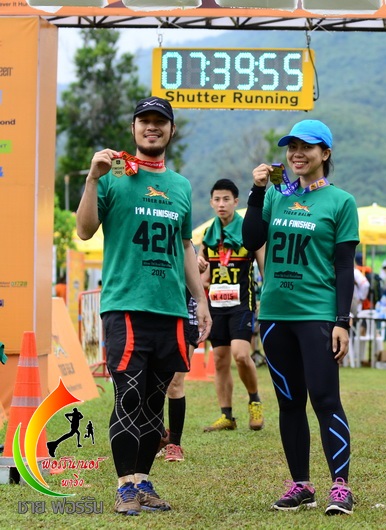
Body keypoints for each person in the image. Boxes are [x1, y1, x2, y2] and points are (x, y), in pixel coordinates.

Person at [75, 96, 211, 516]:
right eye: (144, 121)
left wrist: (200, 300)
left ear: (171, 130)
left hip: (170, 309)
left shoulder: (181, 186)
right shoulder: (113, 174)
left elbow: (185, 247)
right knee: (129, 396)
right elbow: (84, 230)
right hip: (126, 305)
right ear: (133, 128)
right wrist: (92, 180)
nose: (152, 127)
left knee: (155, 401)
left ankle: (143, 480)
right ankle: (124, 487)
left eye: (160, 121)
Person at [243, 119, 358, 515]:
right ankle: (301, 485)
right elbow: (251, 239)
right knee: (290, 403)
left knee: (325, 400)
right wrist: (257, 192)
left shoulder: (340, 202)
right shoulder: (276, 195)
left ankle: (340, 486)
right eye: (292, 147)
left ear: (325, 153)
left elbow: (344, 267)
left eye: (307, 147)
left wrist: (342, 321)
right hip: (275, 316)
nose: (297, 154)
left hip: (317, 316)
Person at [198, 178, 266, 432]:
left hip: (242, 304)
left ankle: (254, 400)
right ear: (211, 202)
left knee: (241, 355)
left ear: (236, 202)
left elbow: (265, 269)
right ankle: (226, 415)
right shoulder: (208, 235)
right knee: (219, 360)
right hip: (216, 305)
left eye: (226, 199)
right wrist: (198, 266)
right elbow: (203, 278)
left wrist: (266, 298)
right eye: (216, 199)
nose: (221, 204)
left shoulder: (249, 231)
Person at [157, 289, 199, 463]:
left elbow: (202, 279)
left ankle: (174, 443)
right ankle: (159, 435)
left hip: (185, 315)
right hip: (156, 312)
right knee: (154, 382)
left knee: (174, 382)